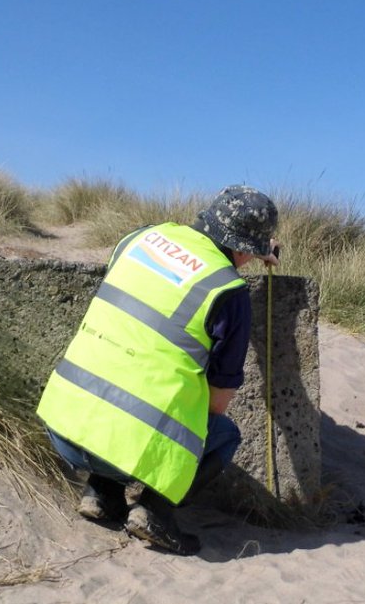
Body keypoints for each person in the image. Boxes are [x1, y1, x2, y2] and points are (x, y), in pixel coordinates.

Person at [36, 185, 279, 554]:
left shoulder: (139, 238)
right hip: (120, 448)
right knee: (223, 434)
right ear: (247, 249)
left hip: (63, 427)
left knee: (121, 389)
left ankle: (102, 494)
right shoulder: (229, 292)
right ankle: (154, 512)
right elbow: (216, 405)